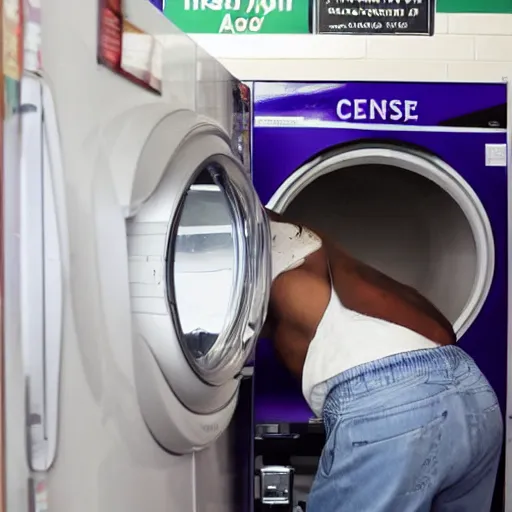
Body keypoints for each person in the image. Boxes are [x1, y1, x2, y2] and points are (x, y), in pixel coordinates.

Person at [262, 208, 503, 512]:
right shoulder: (310, 241)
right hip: (471, 391)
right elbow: (445, 330)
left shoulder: (240, 249)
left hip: (390, 408)